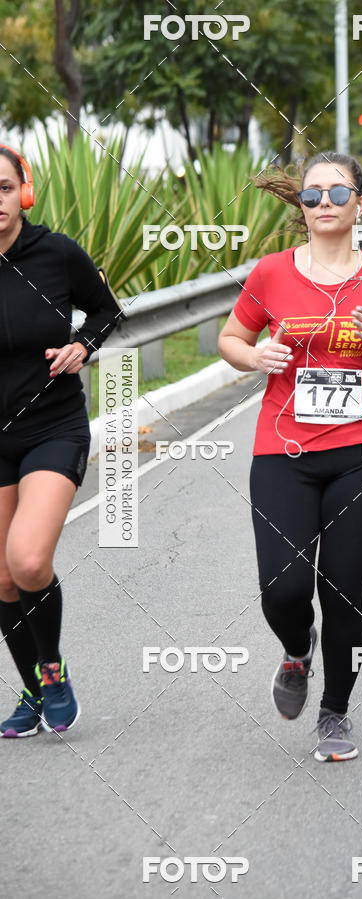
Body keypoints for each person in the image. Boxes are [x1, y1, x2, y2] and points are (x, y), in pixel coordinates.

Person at [218, 151, 362, 762]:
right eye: (312, 196)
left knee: (343, 591)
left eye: (338, 194)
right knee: (282, 589)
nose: (324, 205)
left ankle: (335, 711)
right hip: (282, 452)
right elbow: (232, 338)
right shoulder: (272, 273)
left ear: (361, 204)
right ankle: (295, 645)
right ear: (301, 207)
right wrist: (254, 358)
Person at [0, 144, 122, 737]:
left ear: (24, 193)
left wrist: (83, 346)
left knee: (27, 560)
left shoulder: (55, 253)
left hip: (51, 425)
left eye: (2, 188)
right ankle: (31, 688)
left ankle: (52, 667)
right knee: (0, 578)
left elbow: (105, 310)